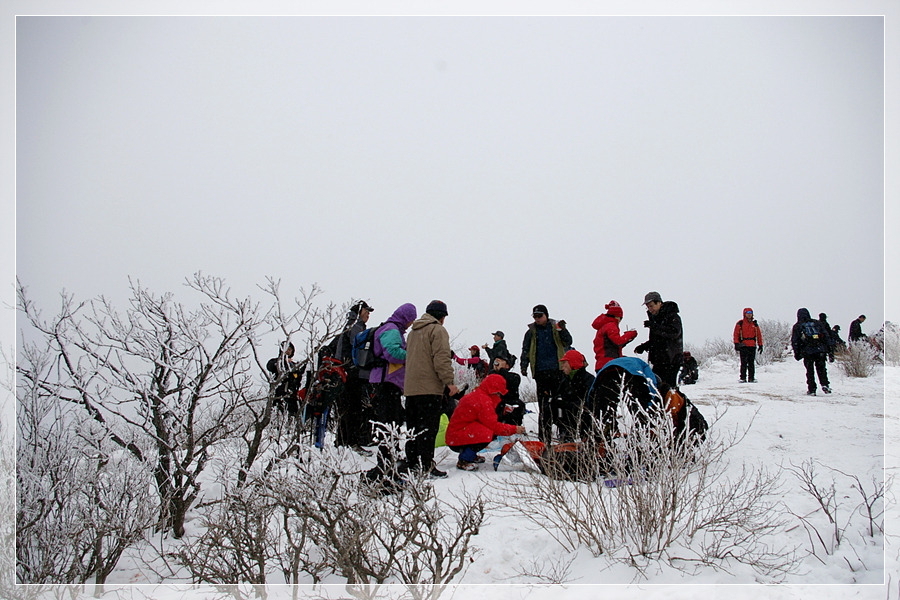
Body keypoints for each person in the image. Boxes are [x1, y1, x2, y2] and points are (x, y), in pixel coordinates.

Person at [403, 300, 460, 479]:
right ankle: (426, 466)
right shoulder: (437, 330)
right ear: (441, 317)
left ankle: (412, 463)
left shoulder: (412, 333)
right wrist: (449, 382)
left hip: (411, 390)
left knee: (413, 429)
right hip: (429, 389)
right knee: (428, 429)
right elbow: (441, 359)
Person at [367, 303, 418, 477]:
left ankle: (390, 458)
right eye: (411, 319)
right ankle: (386, 464)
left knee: (391, 422)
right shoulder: (391, 330)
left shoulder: (391, 329)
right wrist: (413, 354)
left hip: (387, 382)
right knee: (389, 423)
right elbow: (392, 353)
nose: (411, 323)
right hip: (387, 383)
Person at [445, 373, 526, 471]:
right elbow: (494, 426)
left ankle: (470, 455)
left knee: (485, 430)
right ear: (494, 391)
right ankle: (464, 459)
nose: (499, 396)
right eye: (499, 393)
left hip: (455, 436)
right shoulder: (484, 401)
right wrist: (515, 429)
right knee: (489, 433)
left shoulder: (478, 394)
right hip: (457, 439)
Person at [520, 304, 573, 444]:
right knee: (544, 407)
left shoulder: (556, 327)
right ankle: (544, 438)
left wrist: (562, 330)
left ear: (546, 315)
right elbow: (525, 349)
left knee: (560, 403)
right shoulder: (531, 332)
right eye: (535, 316)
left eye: (540, 316)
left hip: (558, 371)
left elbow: (568, 341)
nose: (537, 319)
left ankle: (565, 434)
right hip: (541, 373)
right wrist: (523, 365)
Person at [328, 300, 375, 455]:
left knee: (345, 409)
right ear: (360, 311)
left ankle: (342, 443)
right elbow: (359, 349)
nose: (368, 315)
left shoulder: (349, 326)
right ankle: (352, 443)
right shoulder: (356, 327)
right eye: (366, 311)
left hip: (343, 374)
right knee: (353, 409)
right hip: (351, 374)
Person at [633, 291, 684, 388]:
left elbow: (674, 333)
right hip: (659, 360)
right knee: (656, 386)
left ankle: (675, 403)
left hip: (671, 360)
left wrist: (654, 326)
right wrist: (644, 346)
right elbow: (658, 340)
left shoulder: (672, 316)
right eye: (648, 307)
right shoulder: (656, 319)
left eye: (651, 306)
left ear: (659, 303)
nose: (650, 309)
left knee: (668, 388)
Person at [791, 308, 832, 396]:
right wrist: (829, 350)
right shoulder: (817, 323)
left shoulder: (798, 326)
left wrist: (797, 353)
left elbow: (795, 341)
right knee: (821, 368)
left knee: (810, 370)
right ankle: (825, 384)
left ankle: (812, 389)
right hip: (820, 349)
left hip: (808, 351)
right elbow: (826, 336)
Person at [556, 349, 595, 442]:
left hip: (584, 420)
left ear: (572, 363)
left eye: (564, 363)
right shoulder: (565, 380)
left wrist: (567, 404)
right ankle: (565, 436)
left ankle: (584, 439)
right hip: (568, 419)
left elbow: (590, 403)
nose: (562, 366)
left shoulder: (588, 380)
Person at [591, 300, 638, 372]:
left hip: (601, 364)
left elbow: (613, 345)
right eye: (620, 318)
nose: (620, 321)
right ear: (616, 316)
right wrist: (630, 334)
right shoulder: (611, 325)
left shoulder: (603, 326)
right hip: (610, 364)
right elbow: (618, 342)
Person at [266, 341, 303, 416]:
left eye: (290, 350)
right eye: (286, 349)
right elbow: (270, 366)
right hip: (279, 394)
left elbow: (298, 377)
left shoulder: (294, 365)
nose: (288, 351)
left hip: (292, 396)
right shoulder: (276, 362)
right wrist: (283, 361)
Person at [491, 351, 525, 426]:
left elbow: (513, 388)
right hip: (492, 412)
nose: (497, 362)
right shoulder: (490, 376)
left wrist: (501, 370)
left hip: (507, 409)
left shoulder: (514, 376)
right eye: (496, 360)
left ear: (507, 365)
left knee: (518, 405)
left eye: (501, 360)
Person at [733, 308, 763, 383]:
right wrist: (736, 343)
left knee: (751, 362)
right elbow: (736, 334)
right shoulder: (740, 323)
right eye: (748, 313)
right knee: (743, 362)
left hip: (752, 345)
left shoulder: (755, 324)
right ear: (745, 314)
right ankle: (743, 377)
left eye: (751, 313)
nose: (749, 314)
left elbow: (759, 335)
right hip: (743, 345)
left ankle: (751, 378)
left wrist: (760, 345)